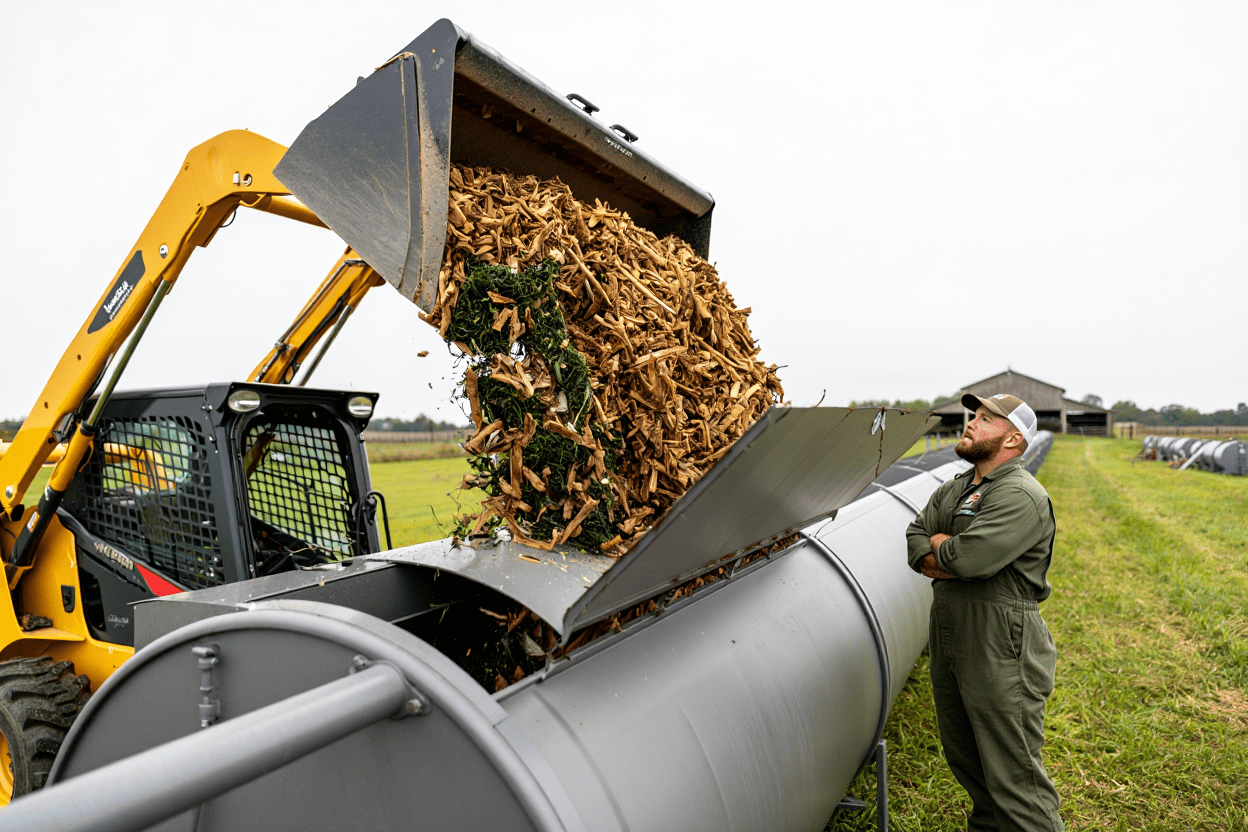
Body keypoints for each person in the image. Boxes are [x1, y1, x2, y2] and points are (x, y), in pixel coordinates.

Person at [906, 393, 1063, 832]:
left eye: (985, 419)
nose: (970, 423)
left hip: (1001, 643)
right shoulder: (957, 487)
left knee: (1015, 780)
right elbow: (915, 538)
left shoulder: (1022, 495)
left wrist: (946, 550)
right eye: (973, 415)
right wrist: (945, 552)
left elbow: (968, 561)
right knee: (968, 761)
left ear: (1013, 439)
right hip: (953, 636)